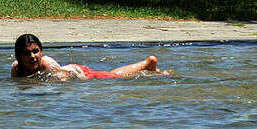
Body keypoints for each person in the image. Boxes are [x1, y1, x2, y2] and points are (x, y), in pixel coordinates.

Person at [10, 33, 166, 80]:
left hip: (82, 73)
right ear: (19, 56)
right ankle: (147, 66)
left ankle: (147, 64)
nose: (32, 56)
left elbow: (62, 80)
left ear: (41, 51)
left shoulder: (47, 64)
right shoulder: (16, 68)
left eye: (36, 51)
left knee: (113, 76)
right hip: (77, 72)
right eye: (27, 53)